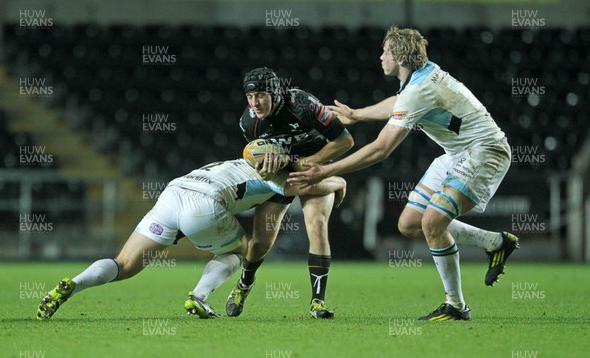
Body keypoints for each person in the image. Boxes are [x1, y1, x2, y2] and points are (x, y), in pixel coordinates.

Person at [288, 26, 519, 321]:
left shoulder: (420, 89)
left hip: (485, 151)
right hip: (458, 153)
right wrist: (358, 114)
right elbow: (400, 102)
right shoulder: (422, 76)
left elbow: (380, 149)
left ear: (398, 56)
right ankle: (495, 243)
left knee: (433, 222)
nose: (380, 56)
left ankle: (456, 306)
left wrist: (325, 171)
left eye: (385, 51)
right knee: (411, 224)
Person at [37, 153, 346, 320]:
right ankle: (198, 296)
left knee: (125, 263)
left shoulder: (243, 160)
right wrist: (340, 182)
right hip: (204, 205)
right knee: (239, 253)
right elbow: (308, 186)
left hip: (175, 191)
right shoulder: (279, 172)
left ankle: (74, 284)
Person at [227, 67, 354, 319]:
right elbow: (256, 159)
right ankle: (244, 284)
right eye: (250, 97)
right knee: (261, 243)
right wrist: (266, 169)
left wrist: (311, 163)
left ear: (275, 92)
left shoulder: (303, 105)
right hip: (282, 172)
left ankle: (318, 302)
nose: (255, 103)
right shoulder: (249, 122)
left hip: (317, 165)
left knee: (317, 224)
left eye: (261, 95)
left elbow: (345, 141)